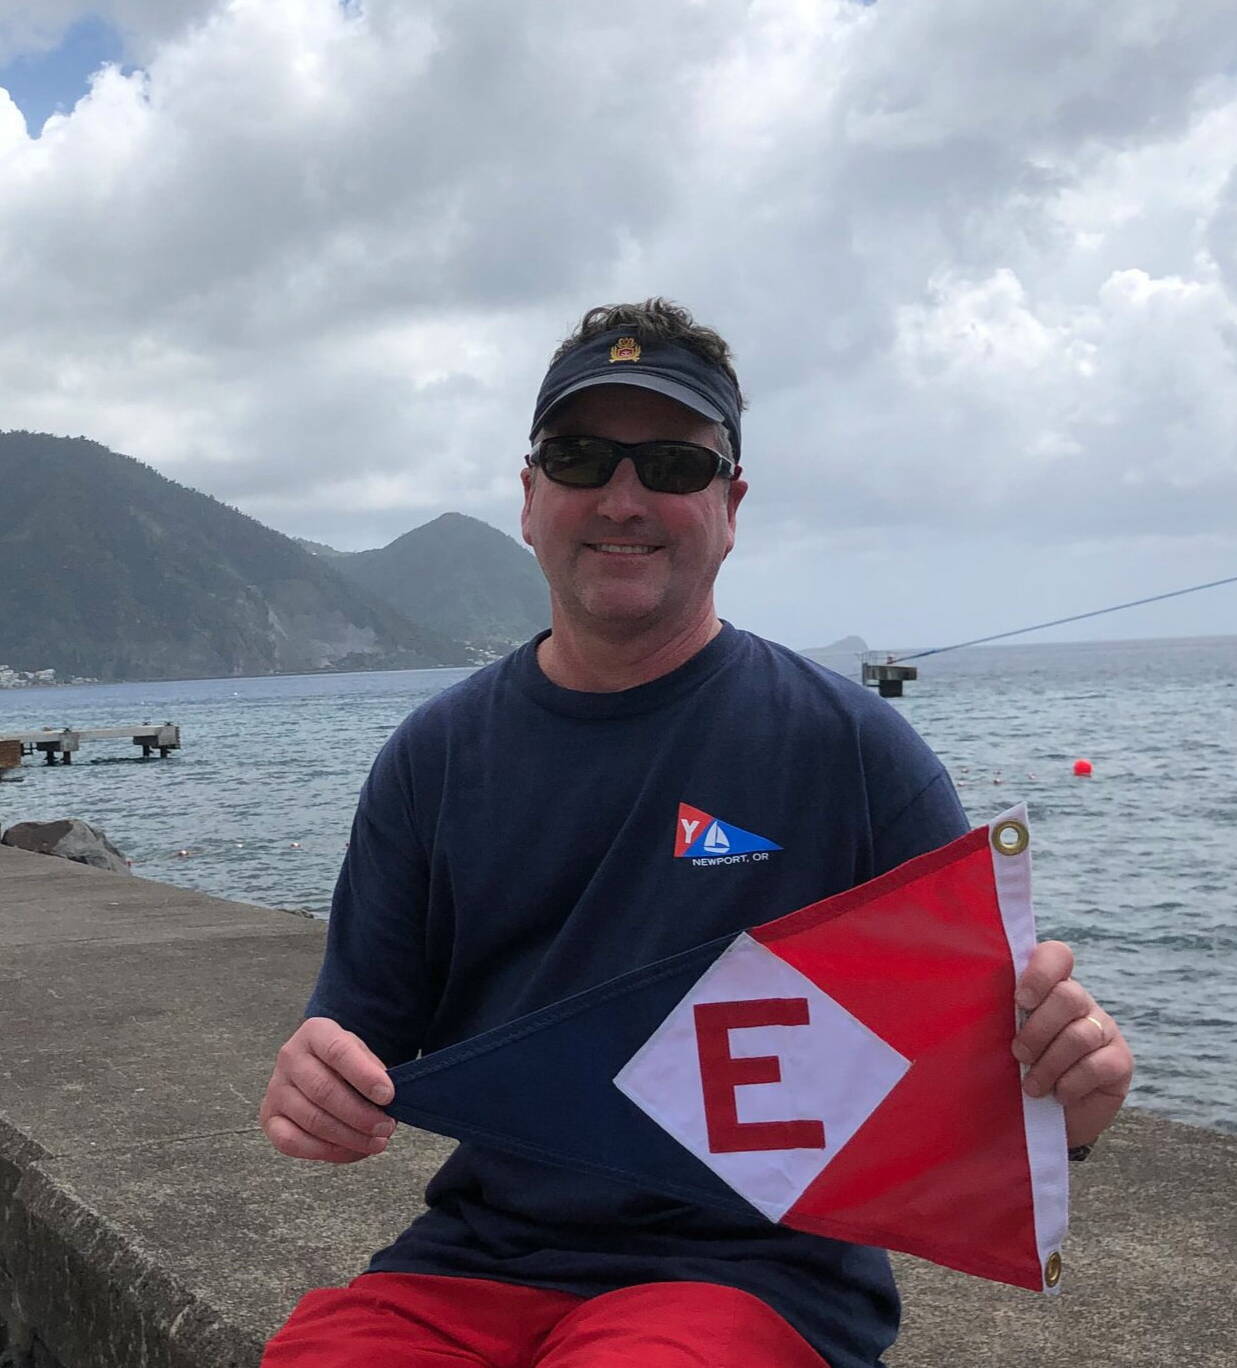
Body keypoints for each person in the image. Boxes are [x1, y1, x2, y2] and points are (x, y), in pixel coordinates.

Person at [258, 300, 1134, 1368]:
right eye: (581, 457)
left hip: (754, 1278)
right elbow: (356, 1044)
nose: (622, 498)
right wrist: (315, 1084)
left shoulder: (854, 751)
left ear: (730, 504)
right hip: (472, 1263)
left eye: (671, 463)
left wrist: (1068, 1094)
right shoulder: (431, 757)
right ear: (529, 497)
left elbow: (976, 1079)